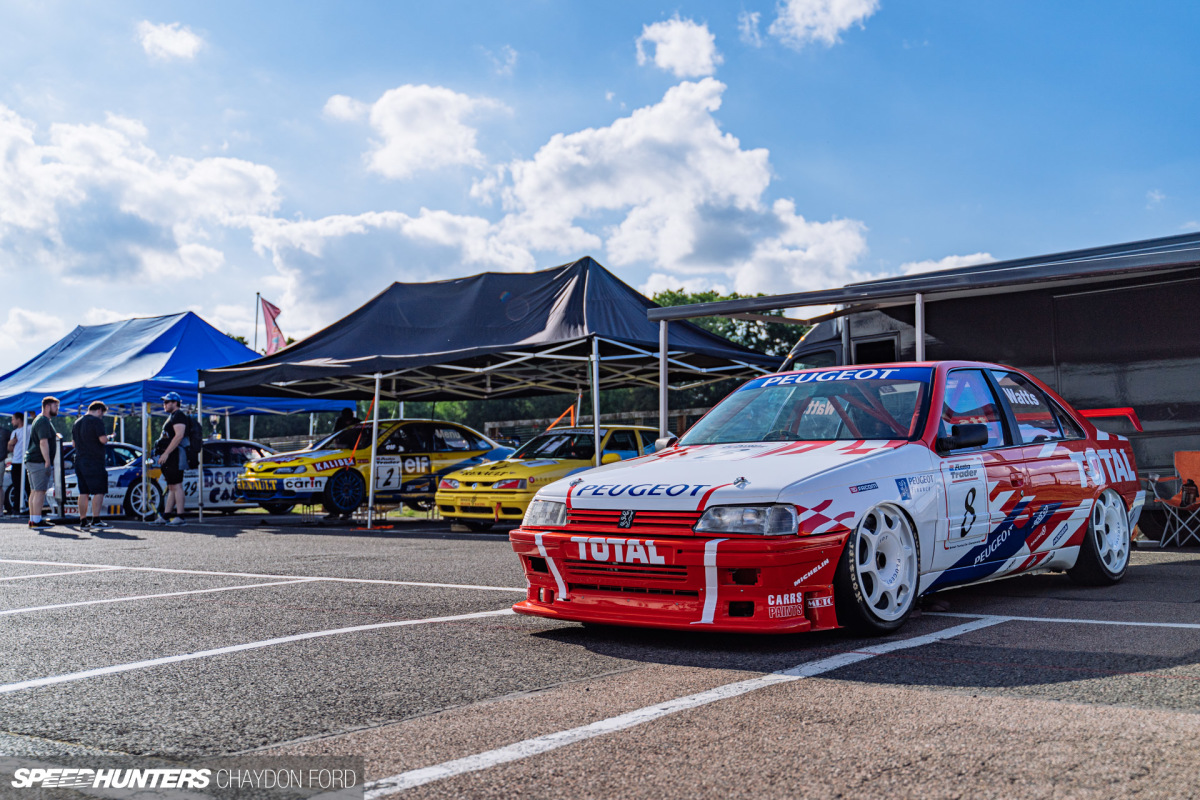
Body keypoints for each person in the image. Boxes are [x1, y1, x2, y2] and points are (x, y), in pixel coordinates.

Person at [148, 392, 188, 526]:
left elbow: (179, 435)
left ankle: (180, 516)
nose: (164, 404)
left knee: (177, 485)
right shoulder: (173, 416)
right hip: (170, 456)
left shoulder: (178, 416)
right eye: (164, 402)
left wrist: (166, 453)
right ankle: (166, 516)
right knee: (171, 486)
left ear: (176, 403)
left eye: (168, 402)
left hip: (175, 455)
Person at [72, 401, 111, 531]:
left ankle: (83, 520)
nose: (102, 416)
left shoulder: (77, 422)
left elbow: (73, 444)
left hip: (79, 460)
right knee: (99, 490)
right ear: (99, 410)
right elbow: (103, 440)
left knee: (83, 491)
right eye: (102, 413)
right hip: (94, 460)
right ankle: (96, 519)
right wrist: (109, 437)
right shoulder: (96, 421)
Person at [25, 397, 60, 529]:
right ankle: (37, 521)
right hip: (38, 460)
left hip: (33, 460)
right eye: (55, 406)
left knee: (34, 491)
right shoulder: (43, 421)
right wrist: (47, 461)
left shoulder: (40, 419)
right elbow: (43, 441)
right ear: (47, 406)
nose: (57, 409)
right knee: (39, 491)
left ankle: (33, 520)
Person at [6, 412, 26, 515]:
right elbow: (9, 448)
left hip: (26, 462)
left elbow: (37, 422)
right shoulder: (14, 432)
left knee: (27, 486)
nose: (12, 421)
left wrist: (32, 415)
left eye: (13, 419)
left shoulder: (28, 428)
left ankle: (28, 508)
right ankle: (16, 507)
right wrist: (10, 443)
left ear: (19, 419)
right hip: (16, 461)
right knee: (16, 485)